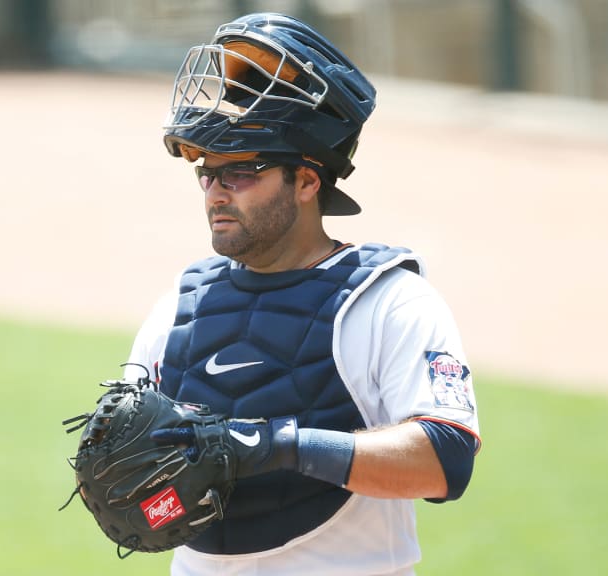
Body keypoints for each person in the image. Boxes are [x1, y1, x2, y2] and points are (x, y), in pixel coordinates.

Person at [123, 12, 480, 576]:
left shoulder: (389, 302)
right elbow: (143, 483)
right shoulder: (178, 310)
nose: (216, 192)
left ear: (308, 181)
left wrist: (278, 446)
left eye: (241, 171)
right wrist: (141, 493)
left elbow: (445, 460)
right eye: (207, 173)